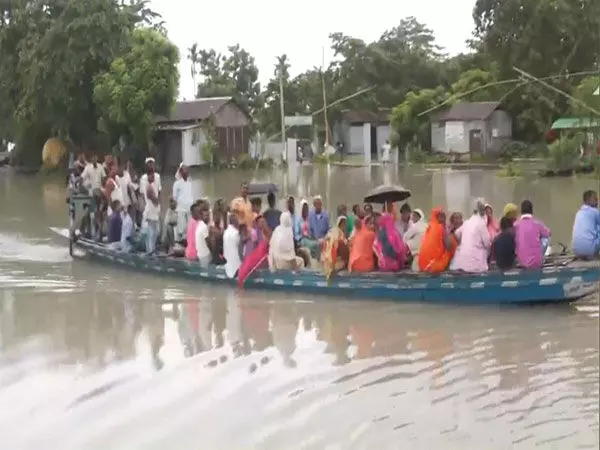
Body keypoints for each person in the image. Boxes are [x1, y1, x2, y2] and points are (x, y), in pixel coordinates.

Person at [237, 197, 272, 287]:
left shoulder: (252, 220)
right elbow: (268, 234)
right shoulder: (259, 219)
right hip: (259, 248)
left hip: (256, 248)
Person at [450, 198, 491, 273]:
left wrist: (463, 243)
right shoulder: (481, 223)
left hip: (461, 264)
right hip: (477, 265)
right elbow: (487, 243)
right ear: (482, 212)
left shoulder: (467, 222)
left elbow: (456, 233)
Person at [514, 200, 550, 269]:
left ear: (521, 211)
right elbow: (548, 233)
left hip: (522, 262)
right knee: (545, 238)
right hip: (536, 263)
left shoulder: (516, 225)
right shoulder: (537, 223)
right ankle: (540, 257)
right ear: (531, 210)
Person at [418, 207, 457, 273]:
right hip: (434, 266)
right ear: (436, 217)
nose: (444, 219)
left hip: (422, 265)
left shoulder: (429, 227)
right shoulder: (440, 228)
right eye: (441, 216)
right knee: (451, 248)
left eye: (444, 216)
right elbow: (449, 246)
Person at [572, 190, 600, 258]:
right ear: (588, 201)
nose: (597, 202)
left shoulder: (579, 212)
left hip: (576, 251)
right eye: (595, 199)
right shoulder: (595, 211)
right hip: (589, 250)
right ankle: (592, 253)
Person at [172, 164, 193, 241]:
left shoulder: (190, 182)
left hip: (189, 208)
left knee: (190, 227)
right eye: (184, 170)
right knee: (181, 228)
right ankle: (180, 241)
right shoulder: (177, 184)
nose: (186, 171)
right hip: (180, 208)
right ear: (180, 172)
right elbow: (175, 197)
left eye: (187, 170)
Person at [142, 172, 160, 254]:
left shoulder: (152, 186)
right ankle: (150, 252)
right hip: (150, 213)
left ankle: (151, 250)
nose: (154, 177)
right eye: (152, 176)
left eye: (154, 176)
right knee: (151, 234)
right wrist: (157, 199)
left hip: (153, 212)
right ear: (148, 176)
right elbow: (155, 201)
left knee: (153, 234)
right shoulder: (149, 187)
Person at [195, 202, 212, 267]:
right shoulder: (204, 227)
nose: (207, 218)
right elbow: (209, 243)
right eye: (205, 216)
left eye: (208, 216)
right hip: (205, 255)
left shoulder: (199, 225)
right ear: (201, 216)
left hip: (200, 254)